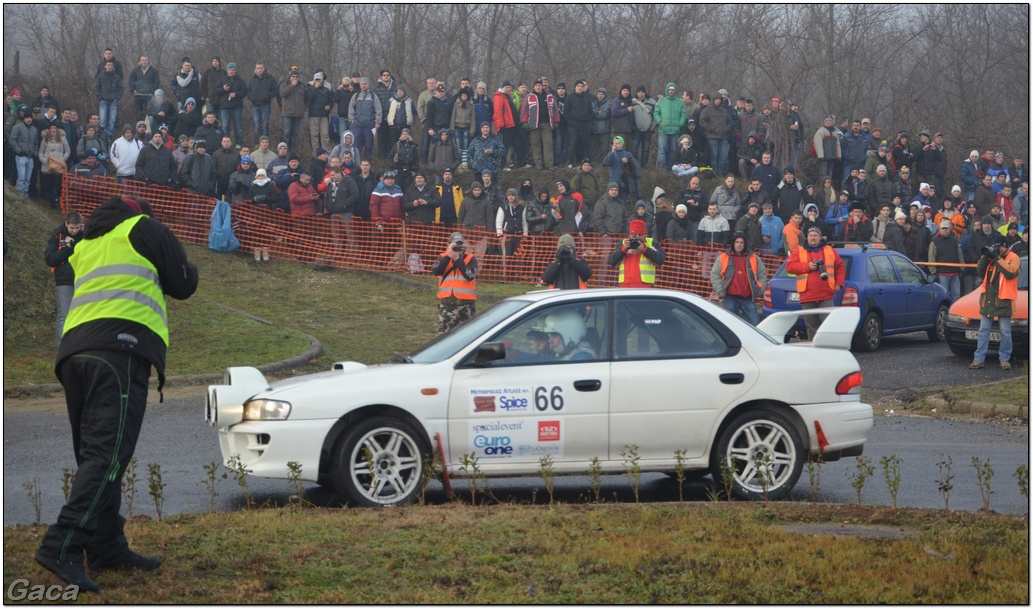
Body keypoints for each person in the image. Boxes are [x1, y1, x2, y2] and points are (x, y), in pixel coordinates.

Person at [35, 195, 198, 593]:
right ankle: (63, 543)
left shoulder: (86, 243)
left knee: (96, 456)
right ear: (140, 211)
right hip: (120, 350)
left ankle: (106, 546)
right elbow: (184, 284)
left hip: (74, 355)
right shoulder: (144, 227)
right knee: (108, 457)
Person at [785, 226, 846, 340]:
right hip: (807, 295)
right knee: (811, 326)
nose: (813, 238)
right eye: (811, 235)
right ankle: (813, 350)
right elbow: (789, 267)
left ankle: (829, 347)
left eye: (815, 235)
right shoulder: (799, 251)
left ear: (820, 237)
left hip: (826, 294)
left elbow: (840, 267)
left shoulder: (830, 250)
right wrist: (807, 266)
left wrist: (839, 284)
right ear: (807, 237)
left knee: (829, 325)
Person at [969, 235, 1020, 370]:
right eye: (997, 247)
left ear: (1006, 246)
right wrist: (986, 256)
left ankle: (1004, 359)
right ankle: (978, 359)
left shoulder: (1013, 258)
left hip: (1004, 300)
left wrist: (996, 258)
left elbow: (1010, 273)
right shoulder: (991, 258)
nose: (999, 249)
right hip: (989, 299)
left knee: (1005, 331)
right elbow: (979, 271)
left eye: (1001, 246)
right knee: (983, 330)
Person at [44, 211, 84, 347]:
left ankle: (79, 345)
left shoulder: (86, 236)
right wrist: (67, 249)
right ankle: (63, 347)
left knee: (82, 314)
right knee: (64, 315)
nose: (74, 231)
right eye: (72, 227)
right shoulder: (57, 235)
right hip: (64, 280)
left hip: (83, 279)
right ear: (66, 224)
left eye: (77, 228)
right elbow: (50, 259)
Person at [710, 233, 767, 325]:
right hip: (730, 298)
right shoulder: (724, 257)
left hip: (748, 298)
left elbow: (762, 274)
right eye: (737, 242)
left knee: (754, 325)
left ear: (745, 244)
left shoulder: (754, 258)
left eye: (741, 242)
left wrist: (759, 290)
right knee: (729, 326)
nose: (739, 244)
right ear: (733, 243)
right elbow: (714, 274)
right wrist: (720, 290)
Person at [432, 231, 479, 335]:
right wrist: (449, 256)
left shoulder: (470, 258)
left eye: (460, 244)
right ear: (449, 245)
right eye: (455, 245)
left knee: (468, 336)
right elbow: (436, 271)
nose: (458, 247)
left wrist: (457, 259)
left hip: (466, 305)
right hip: (448, 305)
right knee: (445, 337)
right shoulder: (442, 257)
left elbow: (470, 275)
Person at [608, 218, 665, 288]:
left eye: (640, 235)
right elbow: (611, 260)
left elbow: (661, 259)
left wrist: (644, 250)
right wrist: (623, 250)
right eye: (634, 235)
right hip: (625, 286)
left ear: (644, 235)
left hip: (644, 286)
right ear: (630, 234)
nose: (637, 238)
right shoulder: (623, 243)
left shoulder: (651, 243)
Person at [927, 219, 964, 302]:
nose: (945, 230)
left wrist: (962, 268)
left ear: (950, 229)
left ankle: (954, 312)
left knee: (956, 294)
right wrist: (933, 271)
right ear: (939, 229)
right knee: (944, 295)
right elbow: (931, 257)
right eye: (943, 228)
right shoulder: (934, 241)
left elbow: (959, 255)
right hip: (941, 273)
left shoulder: (955, 241)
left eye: (947, 228)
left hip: (955, 273)